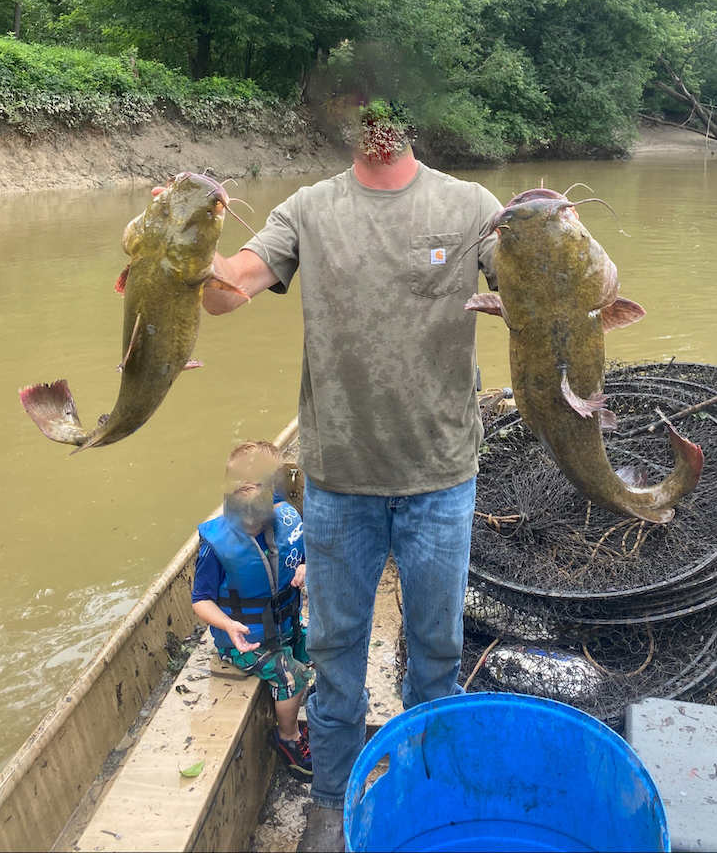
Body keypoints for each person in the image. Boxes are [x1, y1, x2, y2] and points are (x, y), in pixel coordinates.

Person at [199, 101, 501, 853]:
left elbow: (554, 285)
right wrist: (192, 234)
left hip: (440, 478)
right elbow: (224, 292)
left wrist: (563, 238)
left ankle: (429, 794)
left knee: (437, 652)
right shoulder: (309, 209)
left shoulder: (471, 206)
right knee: (335, 658)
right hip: (338, 482)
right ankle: (330, 805)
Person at [191, 441, 314, 777]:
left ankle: (313, 702)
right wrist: (228, 625)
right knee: (292, 676)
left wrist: (305, 566)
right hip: (245, 641)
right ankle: (288, 738)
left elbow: (303, 553)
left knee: (320, 647)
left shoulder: (286, 519)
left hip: (286, 625)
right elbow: (200, 600)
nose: (253, 524)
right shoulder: (217, 547)